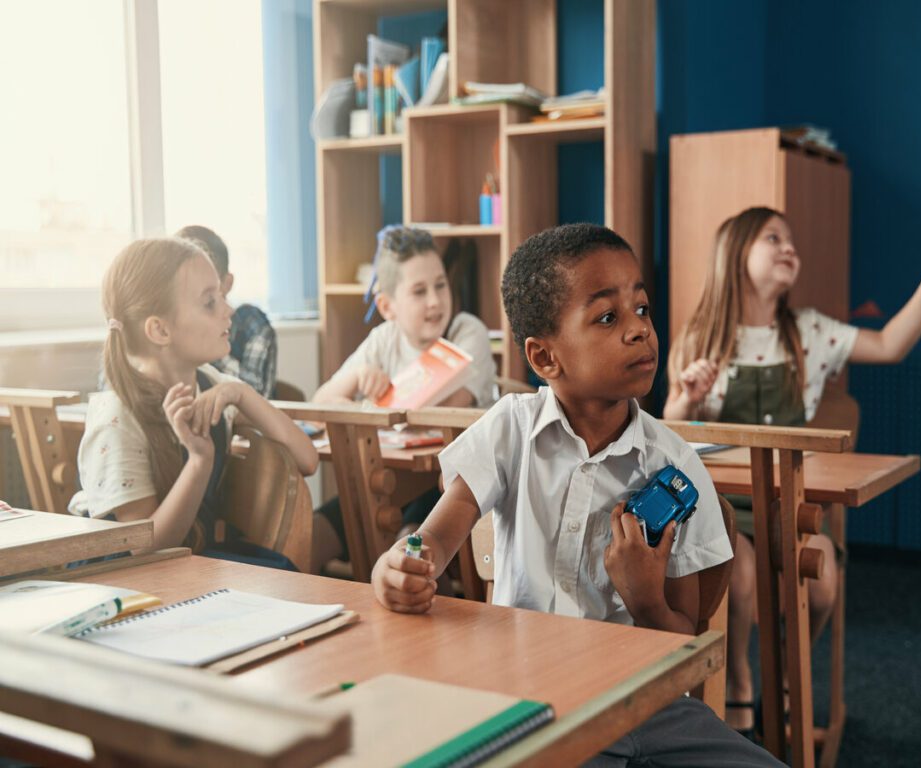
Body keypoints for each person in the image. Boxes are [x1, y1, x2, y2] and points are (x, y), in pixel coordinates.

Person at [371, 223, 782, 767]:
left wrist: (645, 597)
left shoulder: (674, 463)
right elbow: (433, 540)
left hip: (647, 703)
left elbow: (682, 640)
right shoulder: (510, 428)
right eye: (608, 317)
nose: (639, 330)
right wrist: (399, 567)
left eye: (642, 309)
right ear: (544, 359)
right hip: (526, 699)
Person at [663, 206, 921, 736]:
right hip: (723, 508)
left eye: (792, 241)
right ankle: (740, 681)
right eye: (774, 238)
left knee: (824, 581)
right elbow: (674, 433)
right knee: (736, 579)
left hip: (793, 504)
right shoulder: (699, 339)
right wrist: (683, 400)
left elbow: (889, 345)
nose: (791, 248)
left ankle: (786, 674)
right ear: (736, 253)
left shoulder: (807, 331)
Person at [68, 238, 319, 568]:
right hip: (125, 575)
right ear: (159, 330)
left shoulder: (212, 384)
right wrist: (199, 460)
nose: (228, 310)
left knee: (283, 574)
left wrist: (241, 394)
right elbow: (145, 547)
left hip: (187, 558)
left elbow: (307, 459)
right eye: (210, 302)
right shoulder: (118, 418)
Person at [310, 226, 497, 573]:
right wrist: (361, 385)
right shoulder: (383, 340)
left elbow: (439, 411)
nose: (435, 301)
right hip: (386, 481)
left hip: (446, 489)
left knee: (410, 544)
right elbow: (321, 404)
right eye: (419, 291)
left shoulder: (465, 332)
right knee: (312, 535)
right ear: (387, 306)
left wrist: (374, 408)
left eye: (440, 285)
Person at [176, 225, 278, 398]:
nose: (227, 311)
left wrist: (208, 344)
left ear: (227, 283)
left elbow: (256, 397)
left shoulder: (252, 323)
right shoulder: (172, 332)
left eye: (211, 298)